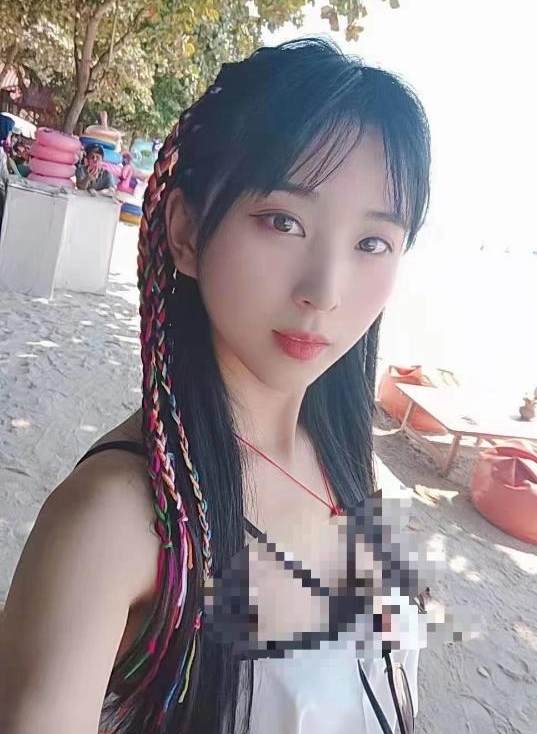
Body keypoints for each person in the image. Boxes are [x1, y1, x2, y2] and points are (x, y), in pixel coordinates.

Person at [0, 37, 431, 734]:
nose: (325, 290)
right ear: (187, 232)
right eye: (283, 222)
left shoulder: (346, 461)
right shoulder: (117, 521)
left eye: (371, 242)